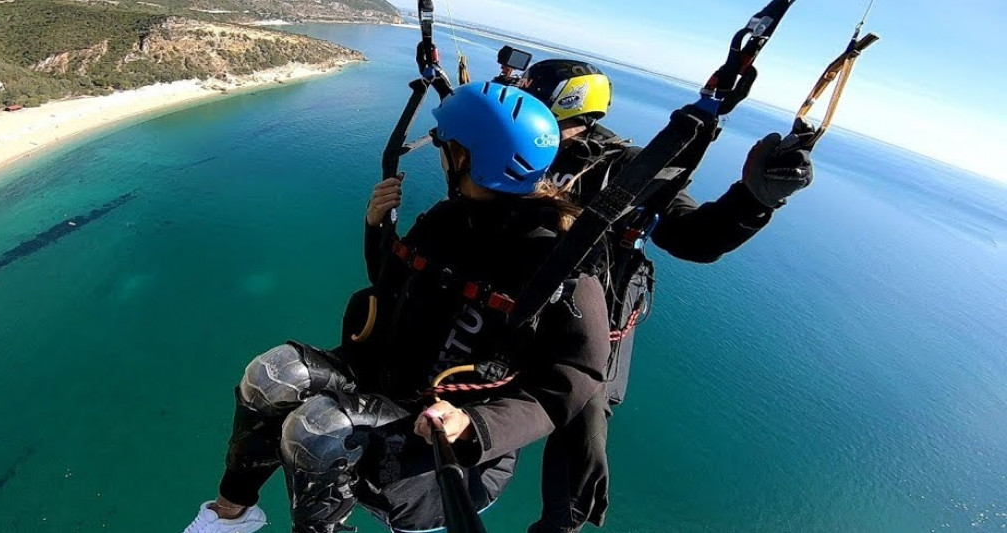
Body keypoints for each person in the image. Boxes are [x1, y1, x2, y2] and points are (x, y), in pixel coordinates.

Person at [182, 82, 614, 533]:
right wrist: (377, 227)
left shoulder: (563, 268)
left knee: (319, 429)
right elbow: (390, 286)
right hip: (388, 385)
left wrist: (474, 425)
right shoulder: (449, 220)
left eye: (446, 146)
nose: (441, 154)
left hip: (447, 447)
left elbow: (572, 382)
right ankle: (231, 516)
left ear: (466, 159)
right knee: (272, 376)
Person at [514, 59, 816, 533]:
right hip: (519, 289)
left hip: (591, 307)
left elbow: (694, 236)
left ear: (564, 100)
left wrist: (754, 200)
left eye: (530, 91)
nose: (519, 96)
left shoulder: (628, 168)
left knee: (585, 418)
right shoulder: (524, 143)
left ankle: (562, 522)